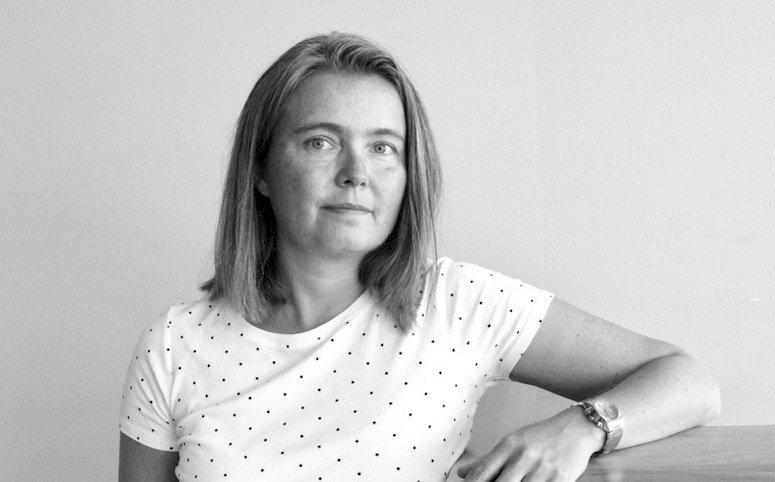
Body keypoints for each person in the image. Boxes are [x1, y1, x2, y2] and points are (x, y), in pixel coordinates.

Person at [118, 32, 720, 482]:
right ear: (261, 170)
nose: (356, 173)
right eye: (321, 142)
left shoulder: (459, 303)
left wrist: (582, 428)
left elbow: (689, 381)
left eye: (384, 147)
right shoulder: (174, 345)